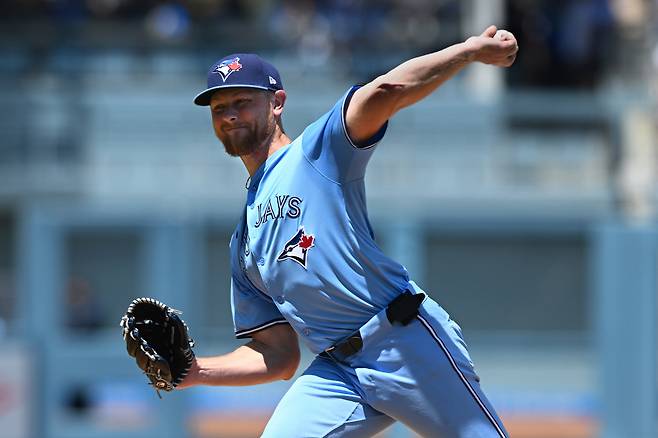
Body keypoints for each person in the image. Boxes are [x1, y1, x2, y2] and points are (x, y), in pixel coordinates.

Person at [180, 25, 518, 438]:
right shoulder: (244, 241)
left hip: (402, 341)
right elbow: (278, 356)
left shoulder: (316, 152)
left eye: (242, 101)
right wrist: (195, 370)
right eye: (218, 108)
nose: (230, 114)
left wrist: (467, 52)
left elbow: (385, 92)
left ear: (277, 103)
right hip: (338, 372)